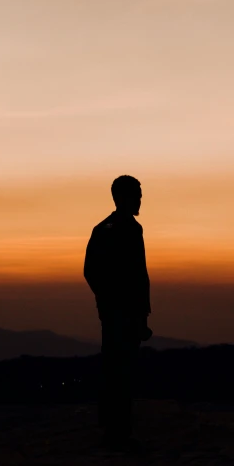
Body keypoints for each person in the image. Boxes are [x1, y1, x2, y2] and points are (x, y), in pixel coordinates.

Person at [84, 175, 152, 451]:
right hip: (117, 314)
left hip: (129, 314)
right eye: (136, 194)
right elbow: (92, 272)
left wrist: (142, 313)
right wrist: (110, 303)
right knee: (117, 370)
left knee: (123, 370)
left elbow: (139, 275)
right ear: (121, 197)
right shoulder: (107, 230)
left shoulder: (133, 229)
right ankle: (115, 433)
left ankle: (119, 430)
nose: (139, 200)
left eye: (140, 194)